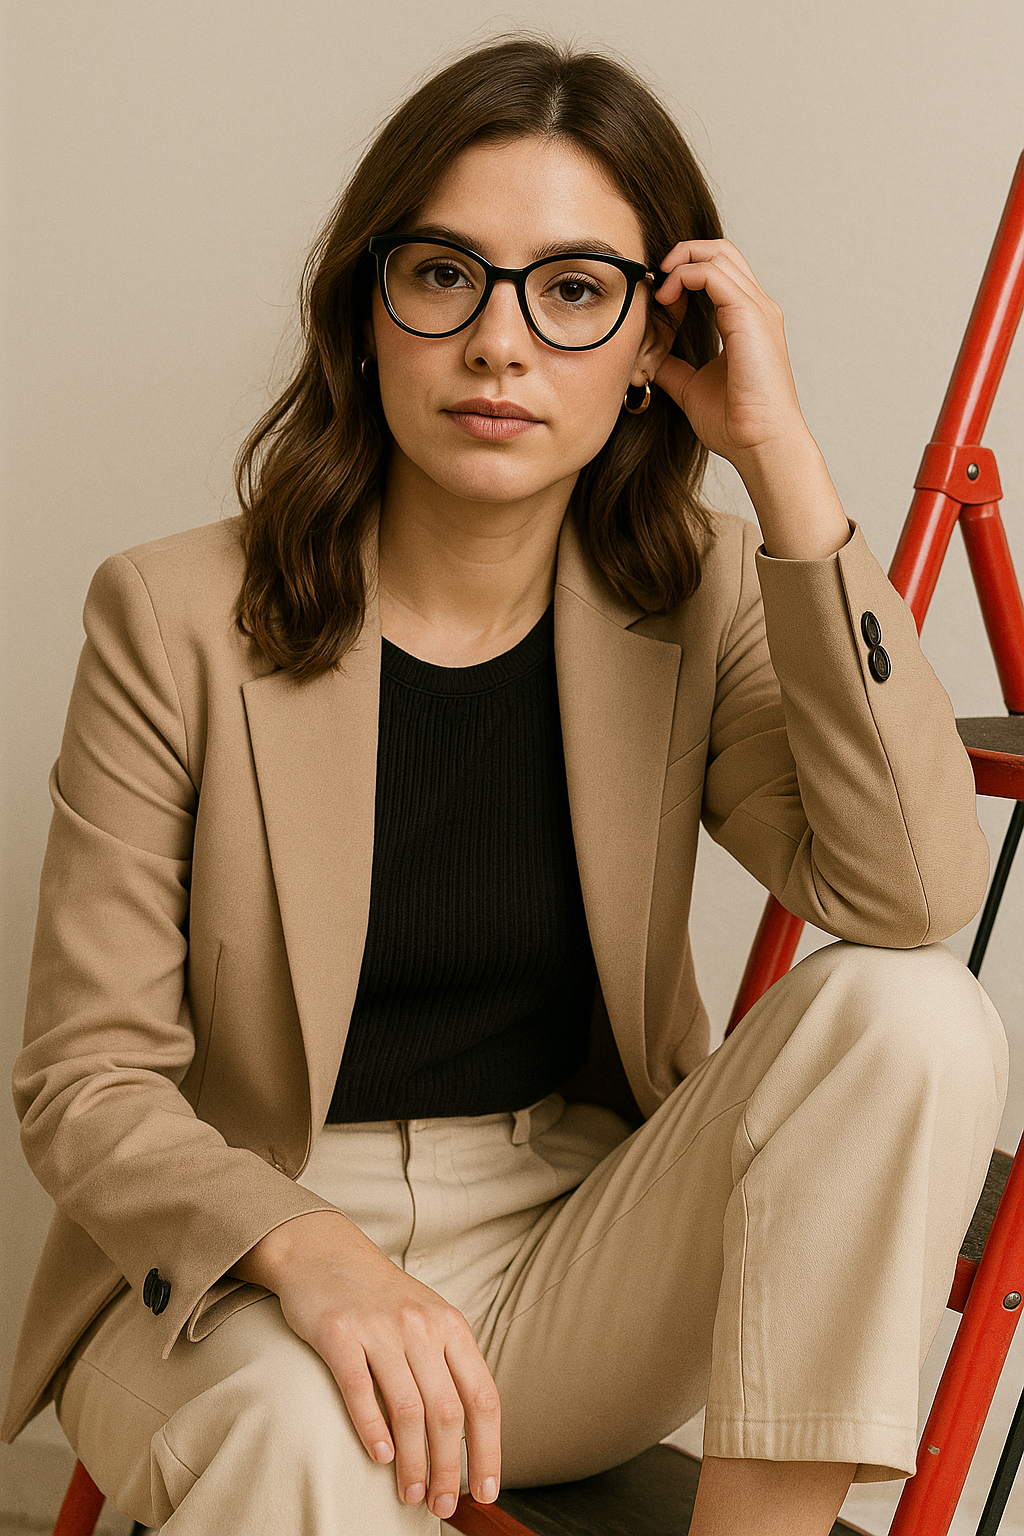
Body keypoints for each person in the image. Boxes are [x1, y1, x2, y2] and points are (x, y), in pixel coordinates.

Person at [3, 35, 1008, 1536]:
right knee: (298, 1431)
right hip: (245, 1276)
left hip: (566, 1259)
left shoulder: (700, 587)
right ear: (369, 313)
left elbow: (913, 894)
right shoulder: (173, 617)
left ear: (654, 348)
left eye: (576, 290)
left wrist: (780, 457)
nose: (501, 342)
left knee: (915, 1008)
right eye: (446, 275)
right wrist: (309, 1251)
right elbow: (85, 1083)